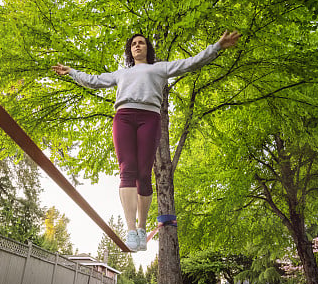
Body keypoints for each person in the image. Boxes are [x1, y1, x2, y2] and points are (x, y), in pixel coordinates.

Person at [51, 31, 241, 251]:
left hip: (149, 118)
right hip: (123, 117)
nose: (137, 46)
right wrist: (72, 72)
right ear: (130, 50)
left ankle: (142, 228)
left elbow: (191, 63)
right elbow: (94, 81)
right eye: (133, 44)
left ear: (147, 49)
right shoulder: (122, 73)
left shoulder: (158, 69)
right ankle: (131, 230)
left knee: (144, 173)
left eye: (141, 43)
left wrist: (217, 46)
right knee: (127, 170)